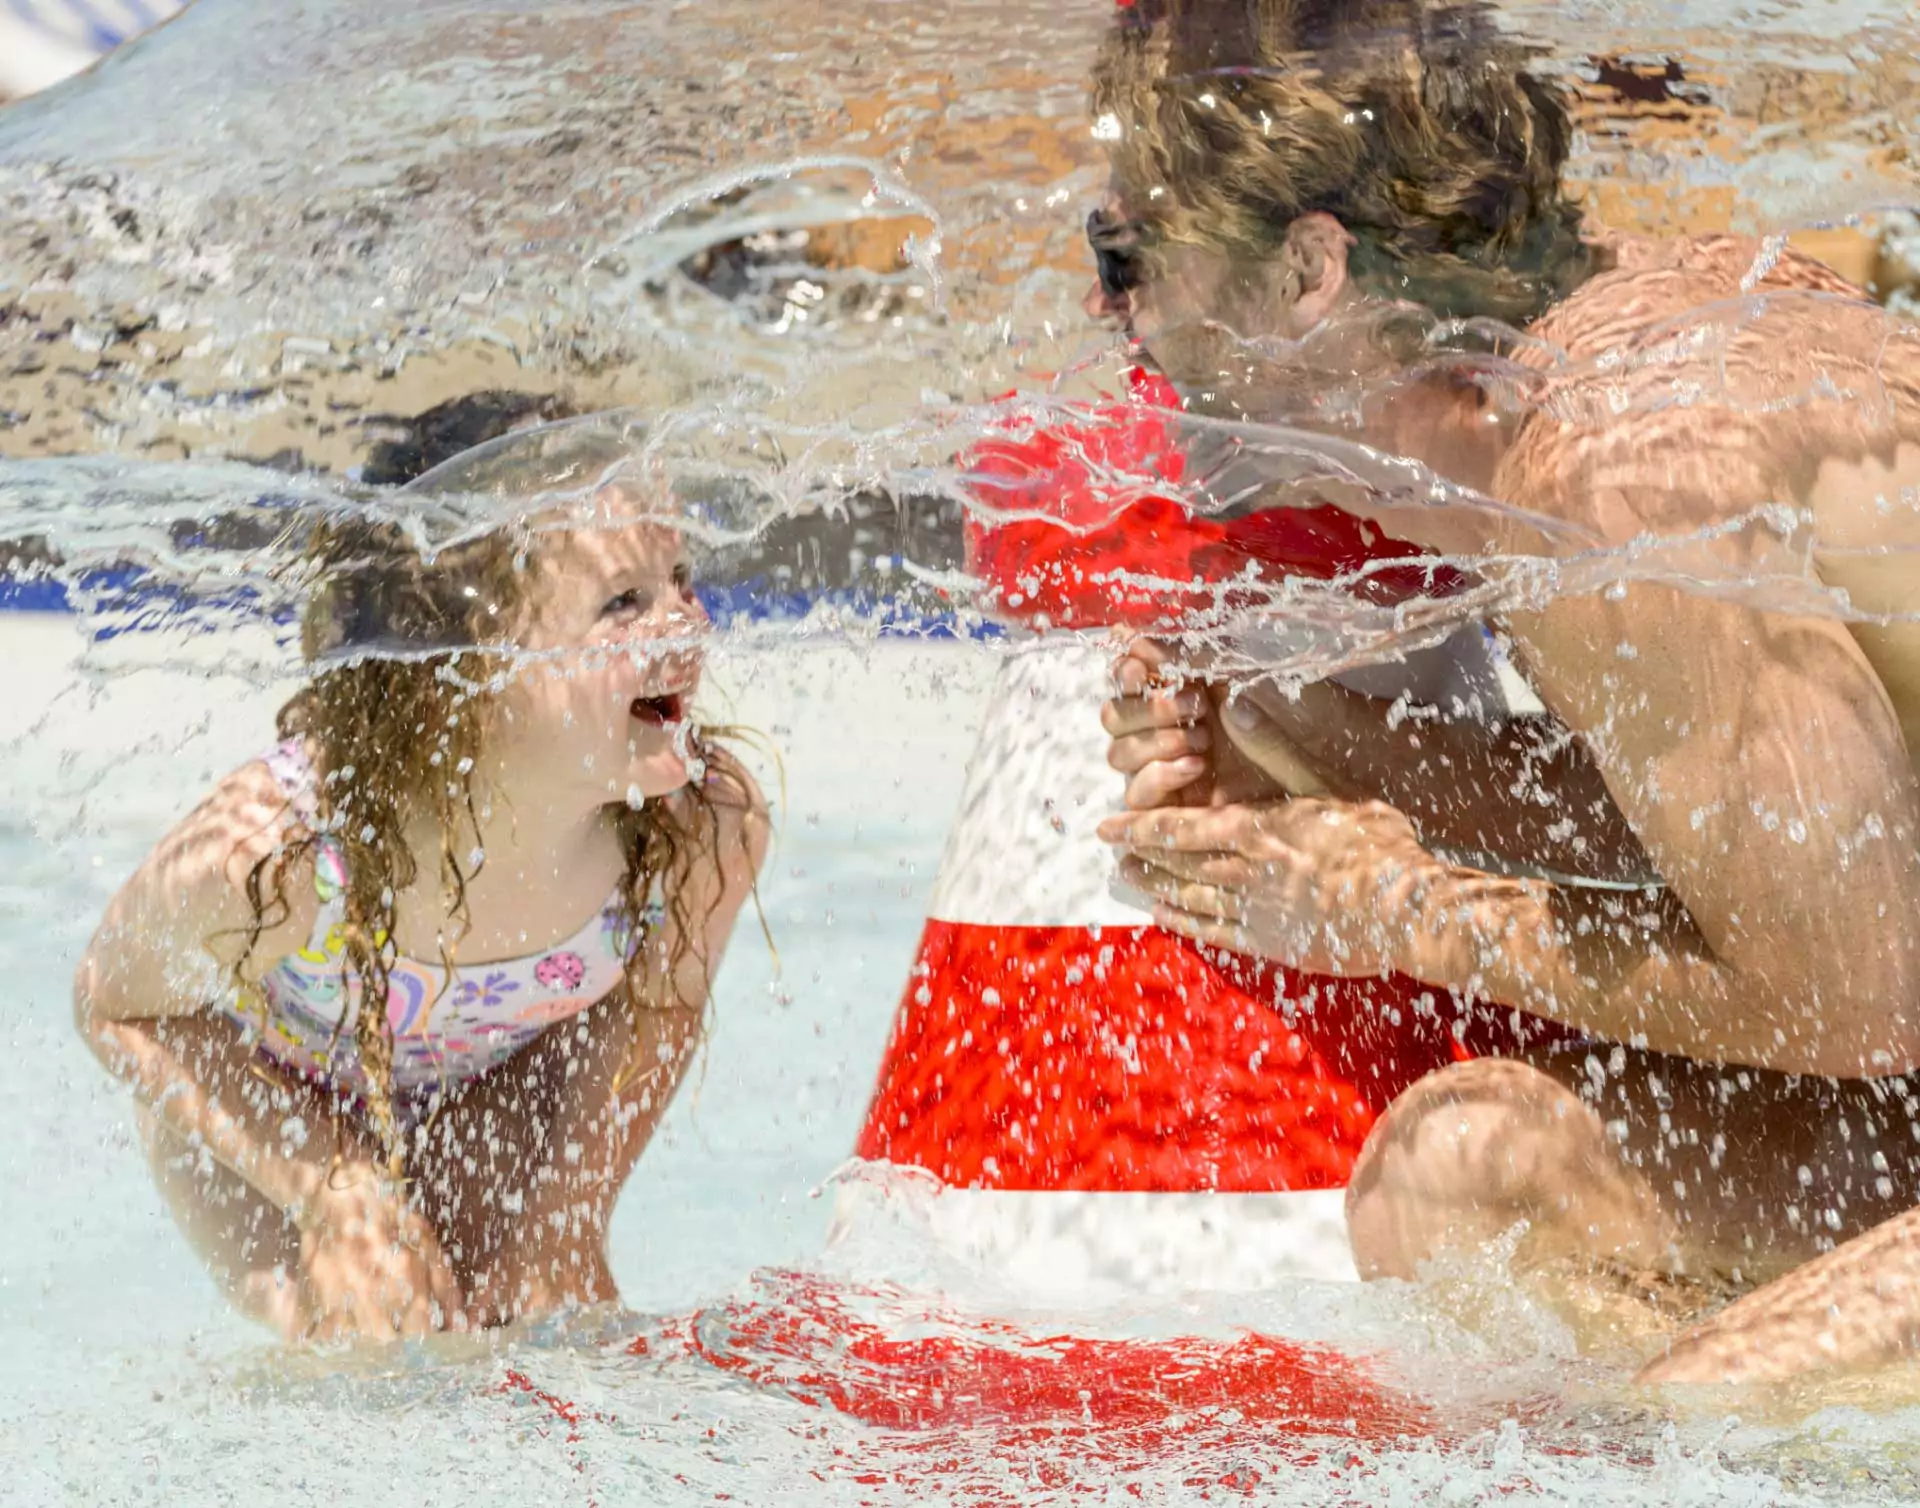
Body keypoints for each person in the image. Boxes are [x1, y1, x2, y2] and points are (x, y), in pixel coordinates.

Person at [1083, 0, 1920, 1381]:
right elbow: (1815, 843)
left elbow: (1858, 999)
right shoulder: (1585, 394)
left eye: (1128, 256)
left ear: (1307, 269)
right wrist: (1340, 751)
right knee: (1456, 1182)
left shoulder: (1608, 470)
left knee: (1699, 1402)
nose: (1114, 313)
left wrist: (1399, 907)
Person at [72, 417, 770, 1342]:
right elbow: (116, 1003)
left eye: (682, 582)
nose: (686, 621)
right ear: (462, 674)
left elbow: (661, 1005)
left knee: (537, 1325)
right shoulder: (297, 850)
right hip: (275, 1104)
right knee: (378, 1346)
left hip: (486, 1085)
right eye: (623, 604)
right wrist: (328, 1182)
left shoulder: (698, 828)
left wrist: (570, 1207)